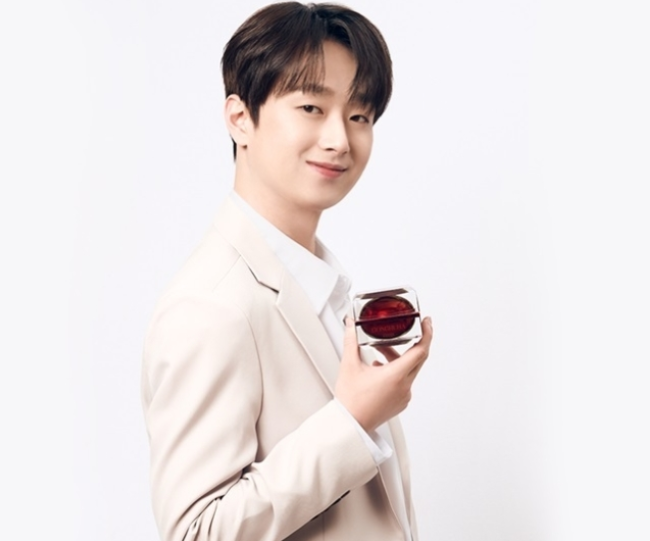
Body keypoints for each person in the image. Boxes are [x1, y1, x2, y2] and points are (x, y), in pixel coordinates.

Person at [141, 3, 433, 540]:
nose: (339, 139)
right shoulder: (211, 305)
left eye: (359, 115)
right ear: (240, 118)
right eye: (311, 107)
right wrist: (351, 421)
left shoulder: (318, 280)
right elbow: (197, 531)